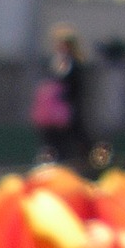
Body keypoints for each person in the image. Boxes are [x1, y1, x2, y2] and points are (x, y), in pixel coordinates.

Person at [33, 24, 91, 167]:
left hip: (66, 112)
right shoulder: (54, 62)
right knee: (50, 142)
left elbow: (77, 88)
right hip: (50, 112)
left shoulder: (74, 64)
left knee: (68, 143)